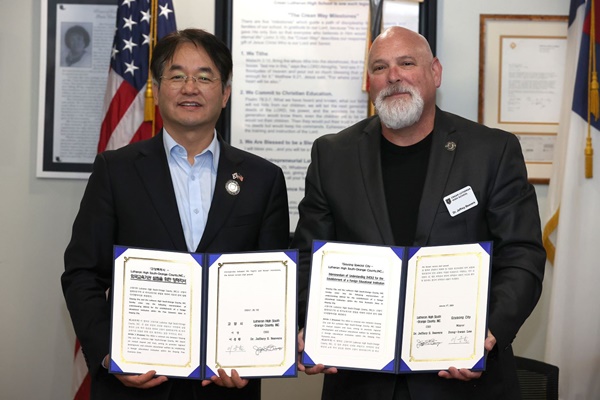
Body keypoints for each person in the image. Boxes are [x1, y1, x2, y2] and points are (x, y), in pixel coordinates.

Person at [292, 26, 546, 399]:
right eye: (380, 67)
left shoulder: (492, 151)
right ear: (369, 82)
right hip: (361, 382)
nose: (393, 76)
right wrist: (308, 325)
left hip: (463, 381)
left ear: (435, 72)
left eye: (406, 63)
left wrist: (488, 332)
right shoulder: (332, 155)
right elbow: (307, 258)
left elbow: (521, 253)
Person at [62, 29, 289, 400]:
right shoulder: (115, 171)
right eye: (177, 76)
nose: (190, 88)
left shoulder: (264, 179)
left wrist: (253, 361)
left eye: (204, 77)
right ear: (157, 88)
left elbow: (272, 284)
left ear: (225, 93)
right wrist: (108, 355)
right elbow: (82, 273)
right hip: (136, 386)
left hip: (226, 388)